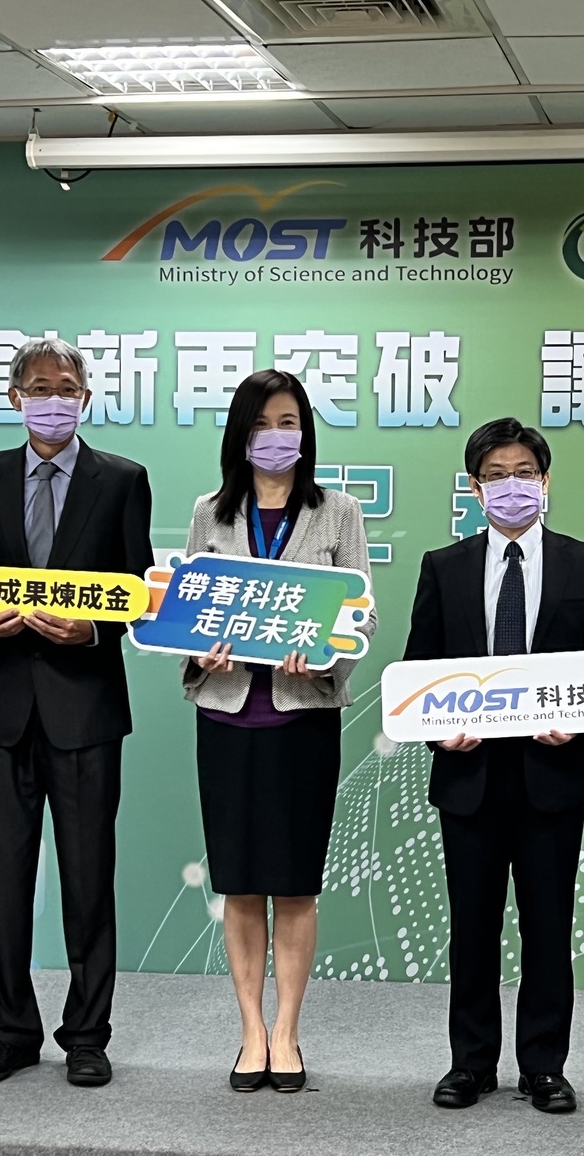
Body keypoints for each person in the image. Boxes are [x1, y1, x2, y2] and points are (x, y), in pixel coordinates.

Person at [403, 417, 584, 1116]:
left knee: (548, 926)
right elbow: (419, 671)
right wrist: (440, 734)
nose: (511, 486)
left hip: (551, 776)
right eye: (496, 475)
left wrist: (580, 718)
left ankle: (543, 1067)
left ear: (546, 481)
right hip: (469, 777)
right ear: (474, 487)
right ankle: (469, 1064)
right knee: (471, 926)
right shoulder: (444, 567)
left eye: (523, 472)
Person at [0, 338, 153, 1088]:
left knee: (87, 879)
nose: (53, 397)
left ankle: (86, 1034)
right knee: (1, 883)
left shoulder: (123, 479)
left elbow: (138, 588)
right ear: (15, 397)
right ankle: (10, 1029)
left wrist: (96, 627)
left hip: (87, 707)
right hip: (4, 705)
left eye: (66, 386)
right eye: (39, 386)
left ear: (85, 396)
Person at [182, 369, 375, 1094]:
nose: (277, 436)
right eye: (263, 423)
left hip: (302, 719)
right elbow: (191, 605)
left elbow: (360, 613)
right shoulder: (211, 512)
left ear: (306, 431)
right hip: (227, 716)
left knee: (293, 885)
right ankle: (249, 1032)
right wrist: (202, 647)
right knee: (238, 884)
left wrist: (324, 647)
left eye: (289, 421)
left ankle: (288, 1032)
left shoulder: (338, 511)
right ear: (242, 433)